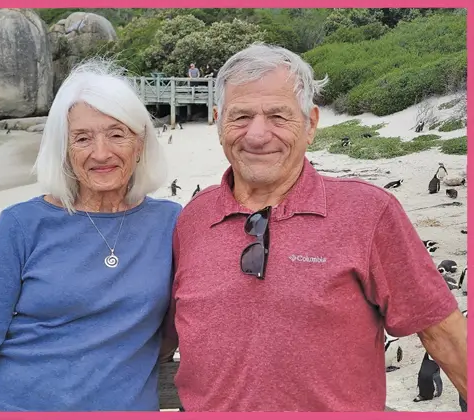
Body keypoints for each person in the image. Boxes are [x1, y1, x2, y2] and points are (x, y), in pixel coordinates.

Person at [160, 43, 468, 411]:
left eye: (278, 116)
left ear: (311, 124)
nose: (257, 135)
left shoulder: (369, 212)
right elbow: (161, 337)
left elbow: (444, 336)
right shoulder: (191, 219)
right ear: (218, 121)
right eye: (241, 116)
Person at [0, 59, 182, 412]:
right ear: (64, 150)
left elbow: (174, 331)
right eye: (82, 138)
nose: (101, 153)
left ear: (141, 142)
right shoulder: (22, 224)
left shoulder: (171, 224)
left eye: (117, 134)